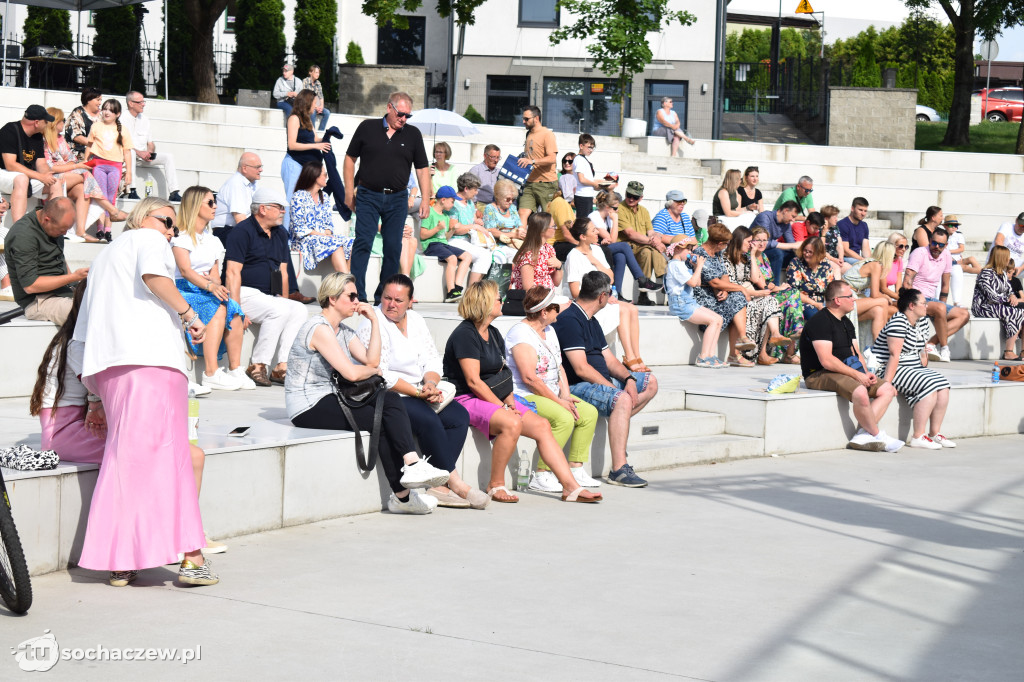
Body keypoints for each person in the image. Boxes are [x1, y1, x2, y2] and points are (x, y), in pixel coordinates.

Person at [71, 197, 217, 587]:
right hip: (152, 362)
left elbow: (81, 336)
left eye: (174, 228)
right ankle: (191, 557)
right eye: (167, 221)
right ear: (142, 217)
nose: (171, 231)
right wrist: (190, 316)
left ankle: (122, 560)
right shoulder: (147, 240)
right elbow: (156, 277)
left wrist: (93, 396)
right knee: (172, 459)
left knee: (127, 460)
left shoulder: (104, 259)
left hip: (111, 371)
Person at [286, 272, 451, 514]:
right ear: (332, 298)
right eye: (351, 296)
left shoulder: (342, 330)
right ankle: (404, 494)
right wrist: (373, 369)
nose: (357, 301)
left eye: (358, 296)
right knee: (381, 419)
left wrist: (374, 321)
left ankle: (410, 474)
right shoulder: (319, 328)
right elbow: (353, 374)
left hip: (331, 396)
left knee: (389, 401)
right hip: (308, 405)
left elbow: (371, 360)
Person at [442, 281, 601, 503]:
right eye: (499, 298)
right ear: (485, 303)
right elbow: (474, 381)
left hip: (492, 396)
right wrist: (503, 408)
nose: (503, 301)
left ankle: (570, 487)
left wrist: (511, 403)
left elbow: (503, 375)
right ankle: (495, 485)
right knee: (512, 423)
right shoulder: (465, 334)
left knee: (542, 426)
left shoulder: (494, 333)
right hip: (465, 397)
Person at [357, 274, 487, 509]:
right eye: (387, 298)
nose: (391, 304)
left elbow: (431, 358)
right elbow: (381, 373)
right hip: (392, 395)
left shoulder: (416, 319)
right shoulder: (372, 323)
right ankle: (455, 483)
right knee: (429, 420)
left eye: (398, 300)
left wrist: (431, 384)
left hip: (421, 389)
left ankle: (438, 486)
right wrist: (418, 393)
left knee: (459, 417)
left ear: (411, 301)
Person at [554, 271, 660, 487]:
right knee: (621, 399)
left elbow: (609, 360)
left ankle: (620, 424)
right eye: (610, 293)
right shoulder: (570, 320)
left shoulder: (591, 320)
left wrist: (629, 378)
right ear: (602, 296)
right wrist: (614, 389)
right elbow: (581, 368)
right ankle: (619, 469)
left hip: (599, 383)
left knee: (650, 382)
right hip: (577, 386)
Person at [507, 286, 602, 490]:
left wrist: (565, 395)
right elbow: (529, 378)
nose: (560, 311)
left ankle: (575, 468)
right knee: (563, 417)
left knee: (588, 413)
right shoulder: (520, 334)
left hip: (550, 393)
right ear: (544, 312)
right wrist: (559, 402)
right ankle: (542, 474)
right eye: (556, 308)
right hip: (525, 395)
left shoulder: (549, 330)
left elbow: (559, 366)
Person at [344, 91, 431, 303]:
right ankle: (358, 294)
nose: (404, 119)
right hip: (367, 194)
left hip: (397, 198)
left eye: (408, 116)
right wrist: (348, 193)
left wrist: (426, 199)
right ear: (389, 108)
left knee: (393, 247)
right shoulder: (367, 127)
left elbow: (422, 169)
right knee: (363, 242)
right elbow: (349, 159)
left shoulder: (413, 134)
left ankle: (384, 295)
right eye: (400, 114)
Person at [799, 280, 902, 452]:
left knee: (887, 389)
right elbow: (826, 360)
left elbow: (857, 354)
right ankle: (877, 435)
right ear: (838, 300)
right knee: (860, 392)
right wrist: (856, 376)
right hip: (818, 374)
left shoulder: (846, 322)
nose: (854, 299)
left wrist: (866, 373)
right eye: (850, 296)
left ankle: (863, 434)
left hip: (845, 370)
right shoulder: (820, 322)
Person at [224, 186, 308, 387]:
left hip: (268, 295)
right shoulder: (241, 232)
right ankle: (258, 365)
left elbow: (283, 272)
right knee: (279, 309)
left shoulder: (280, 233)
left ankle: (281, 367)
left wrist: (285, 300)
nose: (283, 212)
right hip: (243, 291)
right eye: (279, 207)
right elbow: (232, 273)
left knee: (298, 309)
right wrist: (235, 309)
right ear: (263, 209)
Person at [172, 186, 253, 391]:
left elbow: (215, 273)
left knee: (234, 309)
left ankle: (234, 369)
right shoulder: (180, 236)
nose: (215, 206)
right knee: (217, 307)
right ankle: (211, 372)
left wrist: (215, 286)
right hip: (183, 288)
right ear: (194, 205)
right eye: (210, 202)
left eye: (215, 202)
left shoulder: (213, 239)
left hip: (205, 287)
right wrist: (210, 285)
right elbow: (185, 270)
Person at [871, 288, 955, 449]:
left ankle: (934, 433)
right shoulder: (898, 322)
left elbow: (922, 350)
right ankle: (918, 436)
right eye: (923, 303)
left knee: (943, 384)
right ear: (911, 306)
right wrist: (886, 384)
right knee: (929, 384)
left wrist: (924, 368)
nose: (927, 306)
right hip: (889, 368)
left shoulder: (921, 321)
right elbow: (894, 356)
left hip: (912, 367)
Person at [565, 217, 648, 371]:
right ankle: (629, 357)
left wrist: (595, 261)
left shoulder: (596, 250)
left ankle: (636, 356)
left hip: (602, 297)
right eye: (593, 230)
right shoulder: (573, 256)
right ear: (583, 236)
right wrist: (600, 298)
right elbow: (575, 291)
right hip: (587, 302)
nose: (598, 232)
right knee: (622, 310)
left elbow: (610, 277)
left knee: (633, 309)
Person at [42, 107, 125, 242]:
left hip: (65, 175)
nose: (64, 123)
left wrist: (73, 166)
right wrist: (75, 167)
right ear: (54, 122)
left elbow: (71, 158)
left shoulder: (60, 139)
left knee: (82, 189)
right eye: (62, 120)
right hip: (49, 178)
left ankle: (80, 231)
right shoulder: (43, 140)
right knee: (84, 174)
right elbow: (49, 167)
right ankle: (111, 210)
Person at [4, 198, 83, 325]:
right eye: (62, 229)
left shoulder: (53, 226)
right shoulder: (23, 235)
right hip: (38, 301)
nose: (65, 233)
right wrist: (73, 277)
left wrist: (77, 283)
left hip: (63, 293)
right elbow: (31, 286)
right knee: (85, 313)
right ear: (47, 219)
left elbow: (59, 258)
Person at [723, 226, 791, 365]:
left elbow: (754, 278)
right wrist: (756, 293)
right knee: (758, 302)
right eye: (749, 241)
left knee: (769, 301)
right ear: (740, 240)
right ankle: (744, 354)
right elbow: (733, 286)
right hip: (735, 296)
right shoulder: (725, 258)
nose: (751, 245)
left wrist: (753, 256)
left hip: (747, 294)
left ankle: (776, 335)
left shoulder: (746, 258)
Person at [902, 227, 968, 363]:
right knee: (940, 308)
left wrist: (941, 306)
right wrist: (912, 303)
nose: (936, 247)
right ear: (930, 241)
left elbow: (945, 284)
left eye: (941, 245)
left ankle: (930, 344)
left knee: (964, 315)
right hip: (915, 297)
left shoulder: (947, 255)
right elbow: (907, 282)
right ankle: (944, 347)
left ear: (946, 245)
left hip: (931, 299)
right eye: (934, 243)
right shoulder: (920, 253)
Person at [692, 222, 755, 363]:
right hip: (704, 298)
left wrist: (725, 289)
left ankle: (741, 341)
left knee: (738, 301)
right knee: (739, 298)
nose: (727, 246)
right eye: (726, 243)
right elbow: (714, 282)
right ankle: (739, 346)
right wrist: (741, 288)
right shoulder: (700, 253)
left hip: (717, 295)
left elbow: (724, 275)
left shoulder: (718, 253)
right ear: (719, 243)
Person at [664, 237, 725, 368]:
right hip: (680, 303)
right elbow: (692, 282)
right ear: (678, 249)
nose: (691, 252)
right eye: (688, 249)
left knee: (719, 319)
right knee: (713, 321)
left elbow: (696, 283)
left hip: (689, 301)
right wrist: (700, 267)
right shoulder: (674, 265)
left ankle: (710, 355)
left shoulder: (682, 265)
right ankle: (703, 357)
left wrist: (696, 267)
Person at [586, 192, 660, 298]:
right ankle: (641, 279)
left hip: (604, 248)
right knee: (624, 246)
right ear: (607, 207)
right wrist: (615, 220)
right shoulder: (594, 216)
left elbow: (612, 240)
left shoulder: (608, 217)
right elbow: (613, 240)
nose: (617, 211)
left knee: (621, 256)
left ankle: (616, 293)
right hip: (593, 249)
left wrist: (613, 222)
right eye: (615, 208)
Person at [749, 226, 803, 363]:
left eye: (764, 240)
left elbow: (769, 281)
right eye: (758, 240)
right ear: (751, 241)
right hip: (758, 294)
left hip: (769, 291)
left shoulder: (764, 256)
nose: (762, 243)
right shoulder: (750, 257)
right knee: (791, 296)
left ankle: (789, 343)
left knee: (792, 294)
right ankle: (792, 340)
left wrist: (776, 287)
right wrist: (777, 288)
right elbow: (759, 283)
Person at [289, 160, 353, 274]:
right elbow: (299, 228)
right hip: (304, 240)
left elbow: (328, 223)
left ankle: (347, 275)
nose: (326, 177)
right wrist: (323, 235)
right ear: (314, 176)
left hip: (322, 238)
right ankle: (346, 280)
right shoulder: (298, 196)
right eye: (324, 174)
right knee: (335, 244)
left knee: (353, 242)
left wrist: (327, 235)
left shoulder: (325, 197)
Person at [84, 99, 133, 242]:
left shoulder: (123, 129)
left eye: (111, 110)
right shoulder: (96, 126)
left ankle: (108, 229)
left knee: (111, 197)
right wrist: (86, 162)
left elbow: (127, 151)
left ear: (117, 114)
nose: (106, 112)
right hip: (98, 164)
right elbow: (89, 145)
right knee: (101, 196)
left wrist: (128, 172)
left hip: (115, 166)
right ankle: (99, 228)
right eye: (105, 109)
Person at [282, 90, 330, 232]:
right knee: (292, 200)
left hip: (305, 165)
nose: (316, 106)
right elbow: (292, 144)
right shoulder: (294, 118)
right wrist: (316, 146)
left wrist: (327, 138)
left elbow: (315, 139)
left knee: (301, 201)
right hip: (293, 163)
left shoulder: (308, 119)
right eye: (314, 103)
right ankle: (286, 238)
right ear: (307, 103)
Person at [121, 91, 182, 202]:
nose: (143, 104)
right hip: (126, 156)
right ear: (131, 103)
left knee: (168, 157)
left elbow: (150, 143)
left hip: (142, 156)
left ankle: (174, 192)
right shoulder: (122, 118)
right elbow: (123, 144)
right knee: (132, 152)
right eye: (140, 102)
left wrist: (149, 152)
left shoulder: (145, 119)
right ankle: (131, 191)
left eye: (143, 101)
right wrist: (139, 152)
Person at [0, 105, 55, 223]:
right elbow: (10, 165)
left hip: (24, 176)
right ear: (36, 122)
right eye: (45, 121)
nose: (47, 125)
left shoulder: (38, 136)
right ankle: (19, 229)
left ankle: (52, 227)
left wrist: (47, 176)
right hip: (4, 172)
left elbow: (41, 163)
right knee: (22, 179)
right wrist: (40, 177)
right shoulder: (9, 130)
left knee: (56, 184)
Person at [420, 185, 473, 302]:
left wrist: (452, 230)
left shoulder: (445, 216)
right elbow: (423, 235)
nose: (453, 204)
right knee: (453, 258)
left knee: (467, 256)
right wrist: (437, 228)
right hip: (431, 245)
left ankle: (457, 287)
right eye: (452, 201)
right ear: (443, 200)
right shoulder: (430, 212)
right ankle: (450, 291)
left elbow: (445, 237)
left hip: (443, 244)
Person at [972, 245, 1024, 361]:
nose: (1008, 259)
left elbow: (1009, 290)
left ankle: (1023, 352)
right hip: (984, 307)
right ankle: (1008, 352)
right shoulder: (985, 273)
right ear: (1000, 258)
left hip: (998, 304)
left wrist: (1012, 296)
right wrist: (1009, 299)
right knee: (1017, 312)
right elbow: (992, 296)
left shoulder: (1003, 274)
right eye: (1007, 257)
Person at [618, 180, 666, 304]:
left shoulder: (644, 211)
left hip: (642, 244)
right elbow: (630, 234)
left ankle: (662, 281)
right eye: (629, 195)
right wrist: (653, 242)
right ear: (625, 193)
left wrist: (656, 238)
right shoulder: (620, 209)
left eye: (635, 197)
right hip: (627, 245)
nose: (631, 199)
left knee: (652, 251)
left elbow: (650, 231)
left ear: (641, 198)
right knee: (648, 251)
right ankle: (652, 289)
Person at [445, 172, 493, 285]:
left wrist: (477, 221)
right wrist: (474, 226)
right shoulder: (453, 204)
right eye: (475, 190)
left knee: (492, 252)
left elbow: (471, 219)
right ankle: (471, 292)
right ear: (466, 188)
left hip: (468, 240)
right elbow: (454, 229)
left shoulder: (470, 203)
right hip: (454, 240)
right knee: (484, 255)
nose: (476, 193)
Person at [517, 105, 558, 224]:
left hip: (546, 183)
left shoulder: (547, 134)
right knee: (523, 212)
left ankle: (549, 241)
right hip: (529, 182)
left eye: (526, 119)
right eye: (523, 118)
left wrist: (532, 161)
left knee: (548, 216)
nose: (523, 121)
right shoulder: (529, 134)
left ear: (536, 118)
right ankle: (521, 238)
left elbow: (552, 158)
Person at [511, 211, 563, 294]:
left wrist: (559, 266)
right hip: (534, 301)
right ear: (542, 229)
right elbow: (528, 290)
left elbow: (557, 282)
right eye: (553, 226)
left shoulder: (549, 249)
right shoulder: (528, 255)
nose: (555, 228)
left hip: (548, 297)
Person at [786, 236, 836, 322]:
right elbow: (794, 292)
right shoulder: (796, 263)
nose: (806, 254)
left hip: (824, 302)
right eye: (805, 250)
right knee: (819, 319)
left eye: (810, 252)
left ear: (818, 253)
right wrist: (816, 304)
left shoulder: (825, 264)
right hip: (805, 302)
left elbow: (832, 287)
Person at [752, 200, 801, 285]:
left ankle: (797, 285)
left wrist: (801, 249)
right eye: (792, 216)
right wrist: (793, 245)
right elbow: (764, 243)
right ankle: (775, 285)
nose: (793, 220)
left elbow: (791, 243)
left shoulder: (786, 224)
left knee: (795, 254)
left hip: (767, 251)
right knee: (777, 253)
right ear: (785, 211)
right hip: (756, 250)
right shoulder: (765, 217)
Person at [211, 153, 263, 232]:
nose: (261, 170)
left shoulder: (252, 183)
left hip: (239, 229)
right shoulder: (236, 184)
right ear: (244, 168)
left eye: (261, 166)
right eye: (257, 167)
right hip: (227, 231)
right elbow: (240, 220)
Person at [482, 177, 524, 263]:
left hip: (514, 244)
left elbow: (520, 226)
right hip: (498, 245)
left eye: (513, 199)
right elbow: (491, 230)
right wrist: (511, 235)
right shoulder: (490, 208)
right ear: (498, 196)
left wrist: (521, 232)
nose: (511, 202)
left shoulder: (512, 208)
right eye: (508, 199)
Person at [572, 133, 615, 216]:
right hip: (582, 196)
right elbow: (582, 179)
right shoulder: (579, 159)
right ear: (581, 146)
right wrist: (594, 184)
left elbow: (588, 179)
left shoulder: (583, 160)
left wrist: (604, 182)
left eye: (592, 148)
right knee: (583, 223)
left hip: (586, 196)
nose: (591, 150)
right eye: (589, 147)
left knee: (587, 222)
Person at [943, 215, 982, 307]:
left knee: (958, 275)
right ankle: (938, 301)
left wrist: (948, 252)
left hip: (955, 262)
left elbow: (961, 248)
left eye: (956, 225)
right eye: (951, 225)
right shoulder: (941, 234)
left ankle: (957, 302)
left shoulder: (959, 235)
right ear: (945, 226)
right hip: (943, 262)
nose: (954, 228)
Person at [64, 88, 102, 163]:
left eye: (101, 100)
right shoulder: (77, 113)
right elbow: (77, 136)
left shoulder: (102, 114)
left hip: (99, 152)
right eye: (98, 100)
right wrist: (98, 145)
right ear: (88, 100)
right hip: (79, 154)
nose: (100, 103)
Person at [988, 211, 1024, 279]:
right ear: (1016, 220)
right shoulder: (1007, 226)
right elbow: (998, 242)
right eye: (1021, 225)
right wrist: (1007, 260)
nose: (1022, 228)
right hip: (998, 261)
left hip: (1013, 266)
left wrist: (1021, 268)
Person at [838, 197, 871, 263]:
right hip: (845, 258)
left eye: (865, 211)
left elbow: (866, 249)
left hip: (857, 258)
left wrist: (870, 261)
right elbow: (845, 251)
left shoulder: (864, 225)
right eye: (860, 210)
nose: (863, 214)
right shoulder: (842, 224)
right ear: (852, 208)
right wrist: (862, 260)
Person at [818, 205, 848, 276]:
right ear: (826, 218)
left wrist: (841, 258)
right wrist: (835, 260)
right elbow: (822, 250)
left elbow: (839, 245)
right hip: (824, 259)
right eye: (834, 217)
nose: (836, 219)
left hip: (836, 259)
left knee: (850, 269)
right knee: (836, 268)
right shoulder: (819, 230)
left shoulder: (835, 228)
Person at [468, 144, 501, 208]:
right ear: (485, 156)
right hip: (479, 205)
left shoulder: (499, 172)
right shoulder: (476, 170)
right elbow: (469, 191)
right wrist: (475, 209)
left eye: (498, 157)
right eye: (493, 157)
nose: (496, 160)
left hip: (496, 206)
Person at [301, 64, 331, 131]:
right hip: (307, 105)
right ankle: (312, 131)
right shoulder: (305, 81)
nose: (318, 74)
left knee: (327, 112)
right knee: (313, 112)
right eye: (316, 72)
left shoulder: (318, 83)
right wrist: (315, 107)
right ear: (310, 72)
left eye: (319, 73)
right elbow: (305, 97)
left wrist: (321, 106)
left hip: (316, 105)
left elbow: (321, 96)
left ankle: (321, 131)